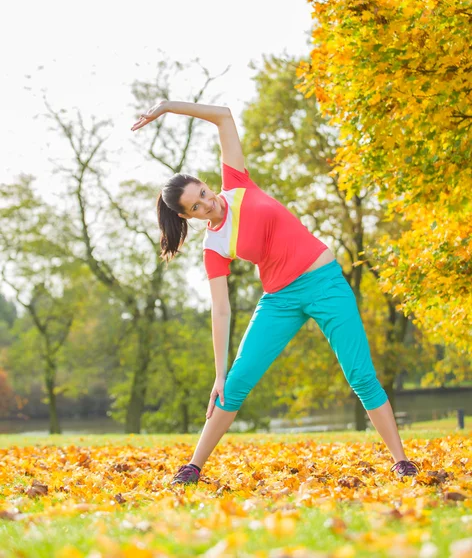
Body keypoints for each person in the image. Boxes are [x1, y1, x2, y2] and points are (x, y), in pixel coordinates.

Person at [131, 101, 420, 484]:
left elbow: (223, 116)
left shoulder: (236, 184)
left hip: (326, 283)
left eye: (202, 192)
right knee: (233, 385)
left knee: (360, 375)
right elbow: (221, 310)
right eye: (196, 207)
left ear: (205, 181)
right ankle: (193, 467)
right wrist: (219, 374)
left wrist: (167, 107)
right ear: (187, 217)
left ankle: (401, 461)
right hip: (280, 300)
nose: (207, 203)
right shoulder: (213, 246)